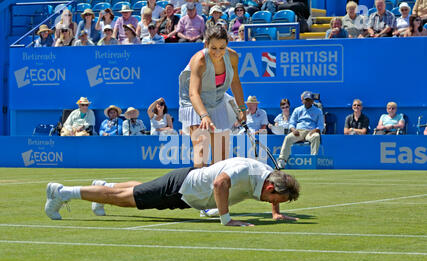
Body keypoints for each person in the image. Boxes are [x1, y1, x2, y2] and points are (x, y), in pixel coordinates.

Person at [44, 157, 300, 228]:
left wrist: (275, 213)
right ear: (269, 187)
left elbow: (273, 190)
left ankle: (104, 186)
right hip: (183, 188)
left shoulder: (268, 174)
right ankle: (64, 192)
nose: (275, 203)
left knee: (137, 189)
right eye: (276, 201)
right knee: (128, 200)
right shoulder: (246, 170)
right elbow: (220, 184)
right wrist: (226, 219)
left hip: (189, 191)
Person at [178, 25, 246, 167]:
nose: (217, 52)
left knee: (221, 154)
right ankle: (199, 186)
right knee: (201, 149)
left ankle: (217, 187)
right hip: (194, 102)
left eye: (222, 48)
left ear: (227, 45)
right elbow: (193, 93)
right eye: (213, 47)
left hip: (218, 99)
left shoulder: (232, 57)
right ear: (206, 44)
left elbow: (235, 82)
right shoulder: (199, 60)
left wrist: (242, 109)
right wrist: (204, 115)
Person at [276, 91, 324, 169]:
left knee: (316, 136)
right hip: (299, 132)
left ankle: (313, 160)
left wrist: (316, 130)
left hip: (311, 132)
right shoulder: (297, 110)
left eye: (309, 100)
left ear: (312, 101)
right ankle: (282, 161)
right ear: (303, 101)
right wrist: (293, 129)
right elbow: (292, 123)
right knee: (288, 138)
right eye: (306, 100)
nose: (307, 102)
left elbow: (321, 125)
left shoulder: (318, 111)